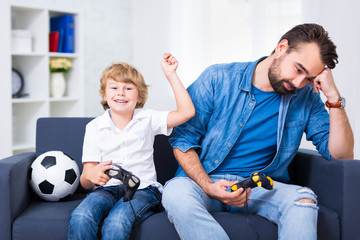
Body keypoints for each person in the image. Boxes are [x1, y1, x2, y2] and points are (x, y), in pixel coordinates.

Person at [162, 23, 354, 240]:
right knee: (175, 193)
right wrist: (208, 186)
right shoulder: (218, 78)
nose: (299, 82)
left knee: (303, 199)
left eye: (309, 78)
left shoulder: (306, 97)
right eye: (298, 69)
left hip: (258, 186)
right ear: (282, 47)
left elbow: (341, 155)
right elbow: (183, 140)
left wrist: (334, 99)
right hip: (205, 182)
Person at [67, 53, 195, 240]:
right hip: (106, 189)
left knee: (116, 223)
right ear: (104, 94)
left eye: (128, 88)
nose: (120, 92)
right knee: (81, 216)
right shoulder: (94, 127)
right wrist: (91, 175)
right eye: (114, 87)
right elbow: (86, 180)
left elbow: (187, 112)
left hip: (143, 189)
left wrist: (171, 75)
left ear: (139, 96)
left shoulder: (148, 118)